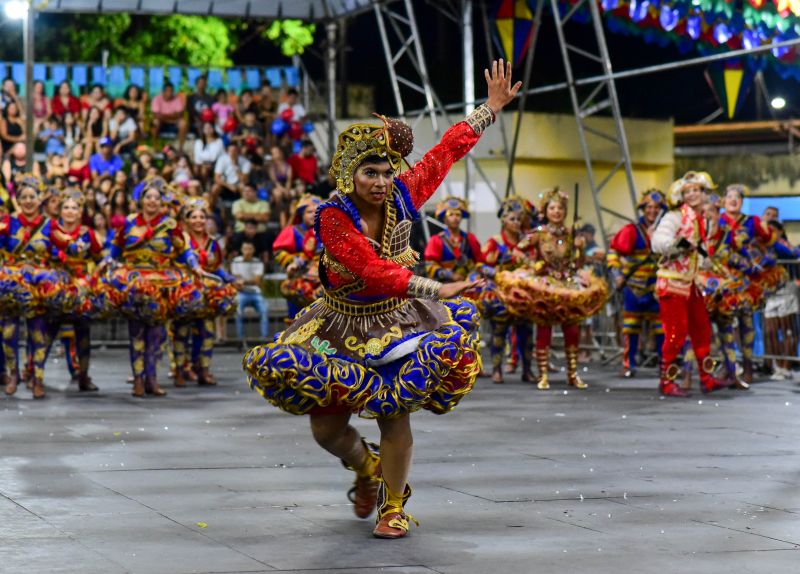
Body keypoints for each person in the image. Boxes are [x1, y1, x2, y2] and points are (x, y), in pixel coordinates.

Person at [243, 59, 519, 539]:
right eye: (370, 172)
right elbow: (370, 269)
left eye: (386, 172)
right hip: (339, 324)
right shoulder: (333, 216)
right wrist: (435, 287)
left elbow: (444, 152)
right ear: (350, 174)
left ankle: (394, 505)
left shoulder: (403, 196)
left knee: (395, 410)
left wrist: (489, 109)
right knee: (326, 430)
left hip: (398, 322)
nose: (380, 181)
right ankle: (365, 466)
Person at [497, 188, 608, 390]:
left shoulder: (571, 234)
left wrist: (580, 248)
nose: (556, 211)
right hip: (546, 286)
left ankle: (572, 374)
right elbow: (517, 250)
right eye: (552, 207)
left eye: (560, 208)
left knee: (572, 329)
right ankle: (543, 375)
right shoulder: (539, 234)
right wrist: (532, 265)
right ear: (546, 211)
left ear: (565, 212)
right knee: (544, 329)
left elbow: (578, 262)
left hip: (568, 284)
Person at [103, 176, 203, 397]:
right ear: (141, 200)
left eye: (157, 198)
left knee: (157, 336)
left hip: (162, 282)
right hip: (134, 281)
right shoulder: (129, 222)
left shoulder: (170, 225)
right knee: (136, 334)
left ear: (162, 202)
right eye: (148, 197)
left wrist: (195, 266)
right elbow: (115, 248)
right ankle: (138, 379)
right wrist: (106, 264)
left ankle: (153, 379)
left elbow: (184, 250)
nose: (152, 201)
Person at [651, 171, 730, 398]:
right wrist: (680, 245)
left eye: (697, 190)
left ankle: (706, 378)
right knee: (675, 334)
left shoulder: (703, 220)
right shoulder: (674, 217)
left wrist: (709, 264)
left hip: (692, 283)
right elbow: (658, 242)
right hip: (673, 283)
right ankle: (667, 382)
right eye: (688, 191)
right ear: (682, 196)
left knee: (702, 330)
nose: (693, 194)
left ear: (703, 193)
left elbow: (702, 253)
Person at [0, 175, 62, 399]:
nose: (28, 201)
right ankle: (13, 374)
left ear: (39, 200)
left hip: (38, 286)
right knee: (8, 333)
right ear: (18, 199)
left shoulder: (49, 224)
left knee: (38, 335)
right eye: (23, 197)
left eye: (32, 197)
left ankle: (38, 378)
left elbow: (60, 249)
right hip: (11, 284)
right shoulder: (8, 222)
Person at [172, 197, 238, 387]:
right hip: (185, 291)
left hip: (208, 291)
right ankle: (179, 369)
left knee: (208, 330)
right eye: (194, 217)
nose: (199, 221)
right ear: (186, 220)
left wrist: (231, 279)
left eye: (202, 217)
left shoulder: (213, 244)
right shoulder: (181, 241)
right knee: (182, 330)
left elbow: (217, 267)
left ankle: (203, 368)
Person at [48, 188, 107, 392]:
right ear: (60, 210)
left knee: (83, 331)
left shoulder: (87, 234)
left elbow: (100, 258)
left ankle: (83, 375)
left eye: (74, 208)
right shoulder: (51, 230)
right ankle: (34, 374)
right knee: (48, 330)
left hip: (81, 288)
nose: (70, 211)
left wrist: (96, 275)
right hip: (56, 285)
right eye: (66, 207)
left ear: (80, 211)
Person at [720, 184, 779, 384]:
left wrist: (766, 229)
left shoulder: (752, 222)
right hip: (722, 278)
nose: (733, 200)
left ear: (742, 202)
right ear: (723, 201)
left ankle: (747, 367)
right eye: (729, 197)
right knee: (724, 324)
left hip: (747, 280)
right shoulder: (717, 221)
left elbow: (770, 241)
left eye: (737, 197)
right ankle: (728, 367)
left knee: (747, 322)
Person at [606, 189, 666, 378]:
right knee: (630, 328)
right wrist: (616, 274)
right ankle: (628, 364)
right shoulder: (631, 231)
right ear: (643, 209)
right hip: (635, 289)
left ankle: (665, 366)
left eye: (657, 207)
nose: (652, 211)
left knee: (661, 329)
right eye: (649, 207)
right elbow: (613, 252)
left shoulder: (668, 231)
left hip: (658, 288)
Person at [479, 197, 536, 384]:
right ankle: (497, 370)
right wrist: (499, 273)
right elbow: (482, 266)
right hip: (502, 293)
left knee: (526, 334)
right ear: (504, 220)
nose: (516, 223)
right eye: (512, 219)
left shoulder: (527, 242)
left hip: (523, 294)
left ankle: (527, 370)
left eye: (519, 219)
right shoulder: (494, 242)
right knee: (499, 333)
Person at [272, 194, 321, 319]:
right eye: (309, 211)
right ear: (301, 215)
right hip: (299, 275)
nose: (313, 214)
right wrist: (293, 262)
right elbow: (279, 251)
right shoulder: (293, 230)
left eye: (317, 211)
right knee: (297, 315)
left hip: (323, 277)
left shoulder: (327, 231)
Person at [231, 240, 269, 345]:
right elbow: (236, 280)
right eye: (245, 249)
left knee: (264, 310)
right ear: (241, 250)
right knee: (237, 311)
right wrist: (245, 281)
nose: (247, 251)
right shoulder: (236, 261)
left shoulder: (258, 262)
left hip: (255, 292)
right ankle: (240, 338)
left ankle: (264, 337)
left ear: (253, 250)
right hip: (242, 292)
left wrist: (244, 281)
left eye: (250, 249)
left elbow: (257, 281)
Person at [150, 82, 188, 148]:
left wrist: (163, 115)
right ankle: (155, 147)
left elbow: (180, 114)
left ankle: (180, 148)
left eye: (171, 91)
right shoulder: (156, 99)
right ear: (163, 92)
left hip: (174, 122)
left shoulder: (177, 99)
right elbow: (156, 115)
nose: (170, 93)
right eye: (167, 91)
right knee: (155, 122)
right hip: (161, 122)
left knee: (183, 123)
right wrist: (172, 116)